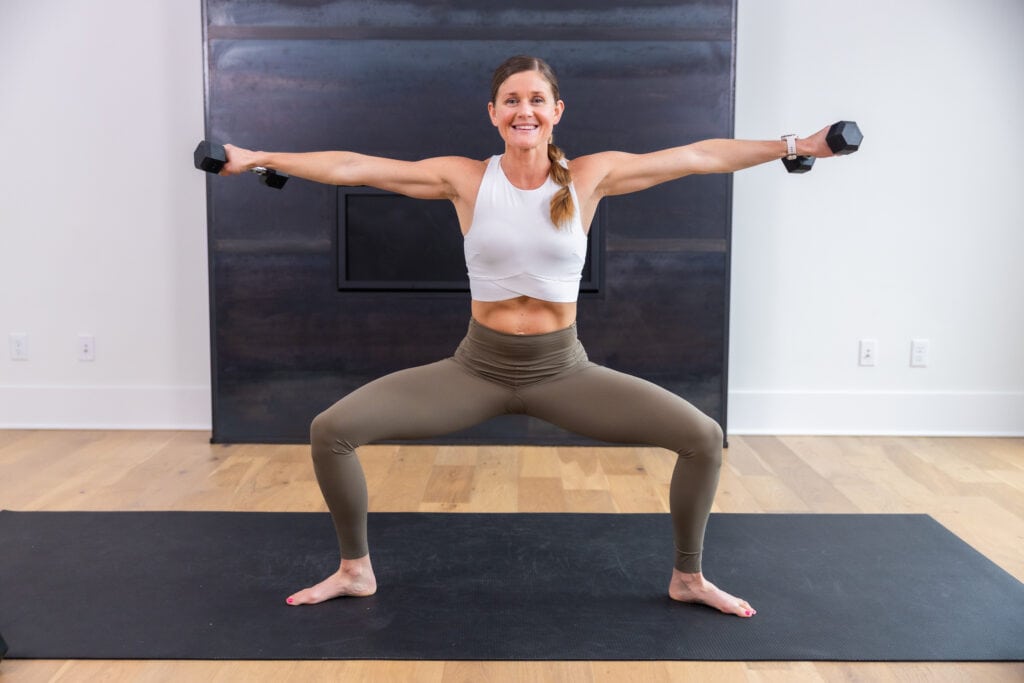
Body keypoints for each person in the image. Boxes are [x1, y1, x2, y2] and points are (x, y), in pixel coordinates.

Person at [219, 55, 838, 618]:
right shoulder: (464, 179)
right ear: (494, 114)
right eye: (512, 100)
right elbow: (355, 167)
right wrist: (259, 158)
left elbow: (697, 156)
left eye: (537, 99)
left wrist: (797, 144)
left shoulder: (589, 178)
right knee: (332, 431)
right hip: (475, 371)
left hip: (563, 372)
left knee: (702, 437)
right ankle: (354, 570)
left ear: (556, 112)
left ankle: (689, 577)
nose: (525, 110)